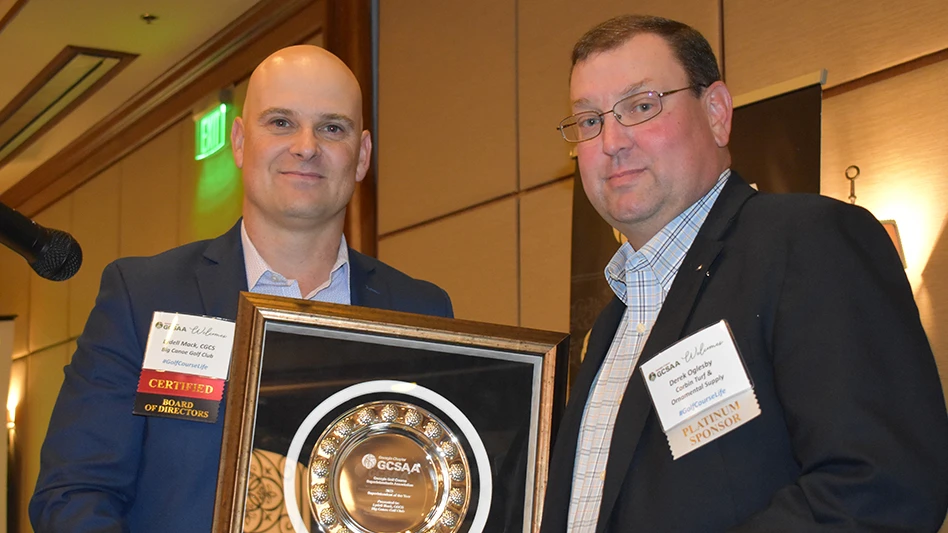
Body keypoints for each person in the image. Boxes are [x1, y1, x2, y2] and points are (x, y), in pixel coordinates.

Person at [540, 15, 948, 532]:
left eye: (641, 107)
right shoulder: (606, 332)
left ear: (716, 113)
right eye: (590, 121)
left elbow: (878, 487)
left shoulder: (808, 244)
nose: (611, 141)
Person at [30, 45, 453, 533]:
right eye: (280, 122)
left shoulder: (422, 313)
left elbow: (439, 495)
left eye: (332, 128)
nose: (306, 146)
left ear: (361, 156)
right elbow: (74, 493)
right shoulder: (143, 298)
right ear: (238, 141)